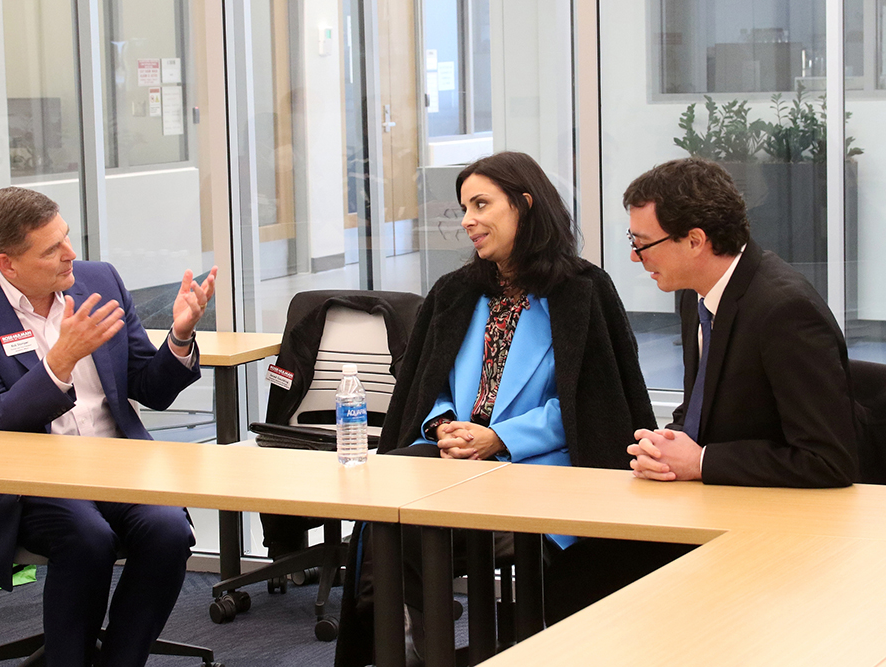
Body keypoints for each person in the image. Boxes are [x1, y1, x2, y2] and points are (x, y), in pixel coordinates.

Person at [336, 151, 685, 667]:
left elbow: (588, 402)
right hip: (454, 455)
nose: (468, 220)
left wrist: (500, 438)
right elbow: (428, 381)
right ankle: (418, 646)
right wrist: (444, 424)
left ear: (524, 204)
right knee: (386, 504)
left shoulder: (582, 292)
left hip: (545, 464)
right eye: (463, 208)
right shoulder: (456, 292)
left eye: (481, 204)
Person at [0, 187, 218, 667]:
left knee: (168, 530)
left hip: (117, 465)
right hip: (34, 483)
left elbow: (150, 387)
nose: (71, 255)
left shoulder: (98, 280)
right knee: (88, 537)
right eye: (51, 250)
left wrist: (180, 336)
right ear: (7, 264)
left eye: (65, 237)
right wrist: (59, 362)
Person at [624, 157, 858, 487]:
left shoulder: (784, 310)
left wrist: (701, 462)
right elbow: (702, 408)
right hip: (716, 500)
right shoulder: (697, 294)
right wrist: (668, 444)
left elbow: (828, 461)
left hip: (778, 521)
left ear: (694, 241)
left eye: (644, 243)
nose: (635, 255)